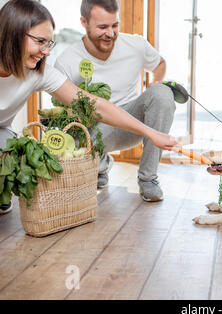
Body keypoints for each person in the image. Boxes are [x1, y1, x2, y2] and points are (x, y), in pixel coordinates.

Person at [0, 0, 180, 214]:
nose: (46, 52)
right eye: (40, 41)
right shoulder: (68, 59)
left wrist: (151, 133)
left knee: (15, 152)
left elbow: (95, 106)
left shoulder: (40, 73)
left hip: (3, 134)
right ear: (14, 33)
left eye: (48, 43)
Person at [54, 0, 176, 202]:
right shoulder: (67, 61)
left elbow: (160, 63)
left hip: (132, 125)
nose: (110, 33)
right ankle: (100, 165)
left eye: (114, 25)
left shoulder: (135, 45)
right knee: (72, 136)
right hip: (93, 129)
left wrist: (156, 81)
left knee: (163, 94)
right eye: (102, 27)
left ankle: (148, 178)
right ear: (84, 22)